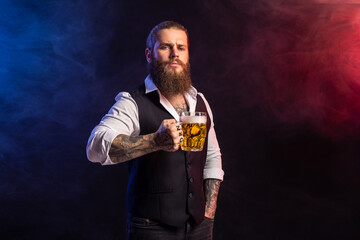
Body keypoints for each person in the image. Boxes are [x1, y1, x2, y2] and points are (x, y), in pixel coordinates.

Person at [86, 21, 224, 240]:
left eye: (181, 47)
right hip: (151, 228)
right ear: (149, 55)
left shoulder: (201, 102)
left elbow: (212, 158)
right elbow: (95, 147)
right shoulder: (132, 102)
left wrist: (208, 213)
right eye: (165, 47)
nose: (174, 54)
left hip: (199, 226)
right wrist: (154, 141)